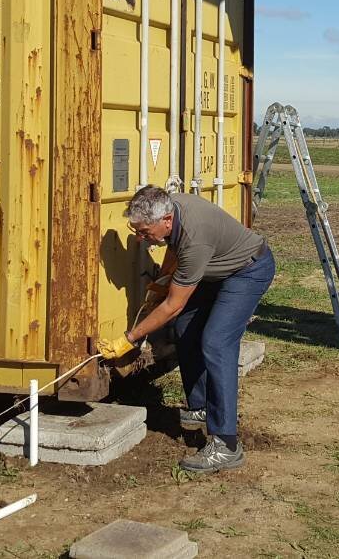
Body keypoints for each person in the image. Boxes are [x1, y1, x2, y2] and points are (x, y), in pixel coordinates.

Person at [100, 185, 276, 474]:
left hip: (247, 271)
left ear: (165, 220)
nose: (142, 239)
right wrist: (164, 280)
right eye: (136, 232)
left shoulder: (195, 239)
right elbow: (173, 248)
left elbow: (173, 306)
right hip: (216, 270)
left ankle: (226, 444)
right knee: (184, 328)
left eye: (144, 232)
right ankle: (202, 406)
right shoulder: (173, 208)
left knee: (217, 343)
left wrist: (129, 339)